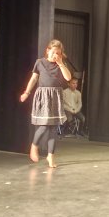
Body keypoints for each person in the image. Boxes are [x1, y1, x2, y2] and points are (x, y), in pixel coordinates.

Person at [20, 39, 72, 168]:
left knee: (53, 128)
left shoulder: (61, 64)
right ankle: (34, 146)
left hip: (56, 96)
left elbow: (68, 78)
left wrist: (61, 63)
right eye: (53, 52)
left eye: (58, 53)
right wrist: (27, 92)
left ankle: (50, 155)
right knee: (43, 125)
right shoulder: (40, 62)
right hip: (43, 96)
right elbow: (33, 79)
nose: (55, 55)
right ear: (48, 51)